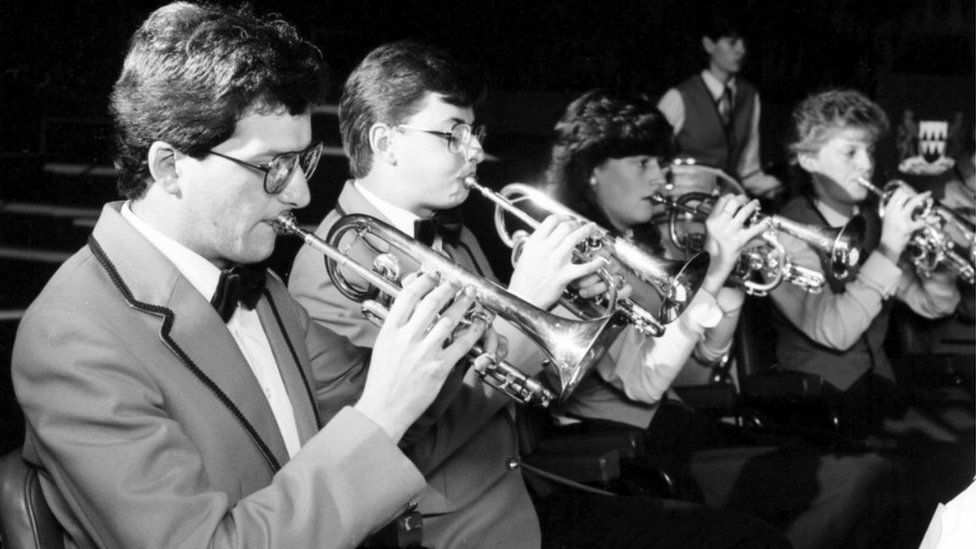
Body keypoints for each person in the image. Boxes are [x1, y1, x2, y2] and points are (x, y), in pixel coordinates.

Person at [11, 4, 497, 547]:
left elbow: (377, 397)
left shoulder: (258, 286)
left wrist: (441, 332)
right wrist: (382, 412)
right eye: (272, 168)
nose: (301, 194)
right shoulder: (71, 336)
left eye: (302, 162)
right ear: (170, 167)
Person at [290, 42, 790, 548]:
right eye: (453, 135)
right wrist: (526, 302)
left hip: (523, 492)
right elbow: (397, 448)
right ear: (386, 142)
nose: (475, 152)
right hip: (453, 531)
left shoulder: (455, 237)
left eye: (474, 134)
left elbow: (545, 383)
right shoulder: (332, 267)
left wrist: (575, 305)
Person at [545, 88, 905, 549]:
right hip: (624, 447)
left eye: (662, 164)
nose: (661, 180)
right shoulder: (575, 257)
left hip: (674, 424)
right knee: (853, 481)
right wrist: (713, 270)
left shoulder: (645, 247)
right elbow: (644, 382)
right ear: (592, 170)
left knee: (865, 474)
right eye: (642, 164)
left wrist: (731, 278)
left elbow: (697, 371)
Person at [770, 89, 973, 541]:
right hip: (814, 404)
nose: (866, 164)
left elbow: (932, 305)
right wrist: (890, 248)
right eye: (850, 151)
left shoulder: (871, 224)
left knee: (961, 453)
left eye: (869, 150)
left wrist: (938, 266)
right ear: (807, 160)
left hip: (876, 393)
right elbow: (835, 330)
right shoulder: (786, 232)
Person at [657, 11, 782, 199]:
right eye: (732, 42)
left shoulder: (749, 95)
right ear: (709, 44)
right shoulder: (679, 96)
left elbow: (748, 169)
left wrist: (780, 188)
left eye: (743, 43)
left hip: (726, 198)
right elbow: (652, 157)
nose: (741, 50)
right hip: (683, 199)